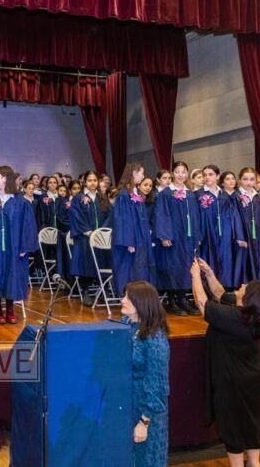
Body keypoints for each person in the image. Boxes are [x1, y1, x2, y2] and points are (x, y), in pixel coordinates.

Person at [191, 258, 260, 467]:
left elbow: (202, 304)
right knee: (251, 421)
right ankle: (254, 463)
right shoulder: (251, 317)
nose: (242, 285)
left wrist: (195, 277)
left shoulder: (235, 318)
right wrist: (209, 274)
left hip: (232, 380)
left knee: (232, 425)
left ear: (247, 298)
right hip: (253, 377)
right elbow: (220, 294)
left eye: (246, 286)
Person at [120, 281, 169, 467]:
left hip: (147, 413)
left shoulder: (155, 337)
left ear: (142, 303)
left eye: (128, 297)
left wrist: (144, 422)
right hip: (127, 406)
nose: (122, 300)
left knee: (147, 460)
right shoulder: (125, 325)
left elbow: (158, 384)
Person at [0, 165, 39, 324]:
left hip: (14, 247)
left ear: (4, 179)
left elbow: (28, 226)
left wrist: (24, 247)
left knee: (12, 276)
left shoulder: (21, 202)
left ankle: (10, 309)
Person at [154, 161, 202, 316]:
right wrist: (164, 235)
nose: (180, 175)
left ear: (187, 174)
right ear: (172, 173)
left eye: (183, 172)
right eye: (177, 172)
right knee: (173, 267)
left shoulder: (190, 194)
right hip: (173, 237)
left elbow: (196, 217)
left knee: (186, 267)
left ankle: (183, 299)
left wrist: (197, 235)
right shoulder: (166, 194)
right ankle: (171, 300)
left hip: (188, 238)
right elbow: (161, 215)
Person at [197, 165, 245, 291]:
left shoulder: (225, 195)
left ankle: (225, 290)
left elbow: (234, 216)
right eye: (204, 175)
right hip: (207, 234)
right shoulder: (198, 195)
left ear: (218, 176)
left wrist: (238, 236)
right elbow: (196, 217)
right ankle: (209, 291)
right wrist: (198, 236)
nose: (207, 177)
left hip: (225, 234)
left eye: (210, 174)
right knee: (209, 259)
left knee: (225, 260)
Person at [112, 162, 155, 297]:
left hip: (140, 239)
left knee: (140, 268)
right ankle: (128, 298)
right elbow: (122, 221)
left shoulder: (136, 194)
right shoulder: (124, 195)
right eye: (141, 173)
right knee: (129, 269)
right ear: (134, 174)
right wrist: (128, 242)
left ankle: (139, 298)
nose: (143, 176)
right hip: (130, 242)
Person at [69, 170, 110, 306]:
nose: (92, 183)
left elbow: (110, 215)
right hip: (85, 237)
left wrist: (102, 232)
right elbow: (76, 216)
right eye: (89, 180)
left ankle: (103, 290)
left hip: (100, 238)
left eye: (95, 180)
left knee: (102, 261)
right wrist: (89, 232)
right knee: (86, 263)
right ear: (84, 182)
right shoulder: (78, 198)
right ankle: (85, 291)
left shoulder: (102, 197)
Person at [235, 168, 260, 288]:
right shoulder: (236, 196)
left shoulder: (257, 196)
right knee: (246, 262)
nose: (248, 182)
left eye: (252, 179)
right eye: (245, 179)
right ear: (240, 180)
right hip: (245, 235)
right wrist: (240, 237)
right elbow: (235, 218)